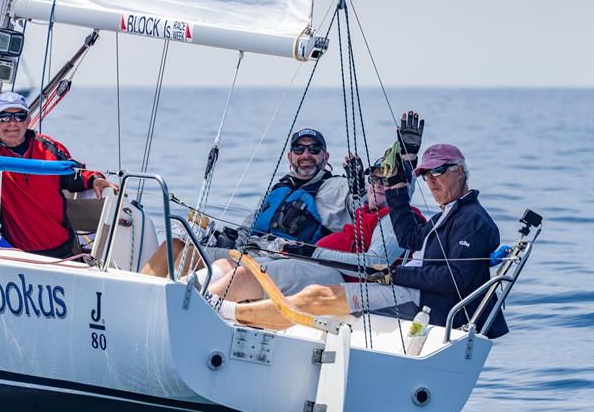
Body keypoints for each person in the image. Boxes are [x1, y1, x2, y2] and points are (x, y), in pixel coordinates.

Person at [216, 141, 509, 339]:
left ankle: (222, 312)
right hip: (411, 291)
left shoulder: (472, 220)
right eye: (425, 176)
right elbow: (409, 235)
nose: (431, 182)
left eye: (437, 173)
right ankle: (233, 315)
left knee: (317, 297)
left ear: (459, 172)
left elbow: (452, 280)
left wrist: (393, 275)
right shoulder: (449, 213)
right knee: (318, 295)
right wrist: (396, 186)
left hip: (429, 303)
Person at [0, 49, 118, 258]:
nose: (12, 123)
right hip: (19, 256)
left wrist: (96, 179)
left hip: (65, 251)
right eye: (5, 117)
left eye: (19, 116)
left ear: (28, 120)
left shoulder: (49, 148)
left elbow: (74, 174)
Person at [141, 128, 354, 279]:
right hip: (248, 252)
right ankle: (143, 297)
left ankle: (165, 309)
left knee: (202, 261)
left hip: (281, 262)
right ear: (290, 156)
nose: (306, 154)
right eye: (299, 149)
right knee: (176, 246)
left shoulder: (333, 189)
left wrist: (357, 189)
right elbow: (248, 227)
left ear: (326, 156)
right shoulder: (280, 188)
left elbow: (355, 214)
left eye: (314, 149)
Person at [207, 156, 425, 302]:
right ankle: (189, 295)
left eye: (387, 181)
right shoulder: (369, 211)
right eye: (375, 178)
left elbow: (375, 266)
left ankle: (197, 307)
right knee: (228, 266)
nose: (378, 184)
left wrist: (313, 252)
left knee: (247, 275)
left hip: (343, 279)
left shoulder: (394, 221)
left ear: (399, 189)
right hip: (315, 262)